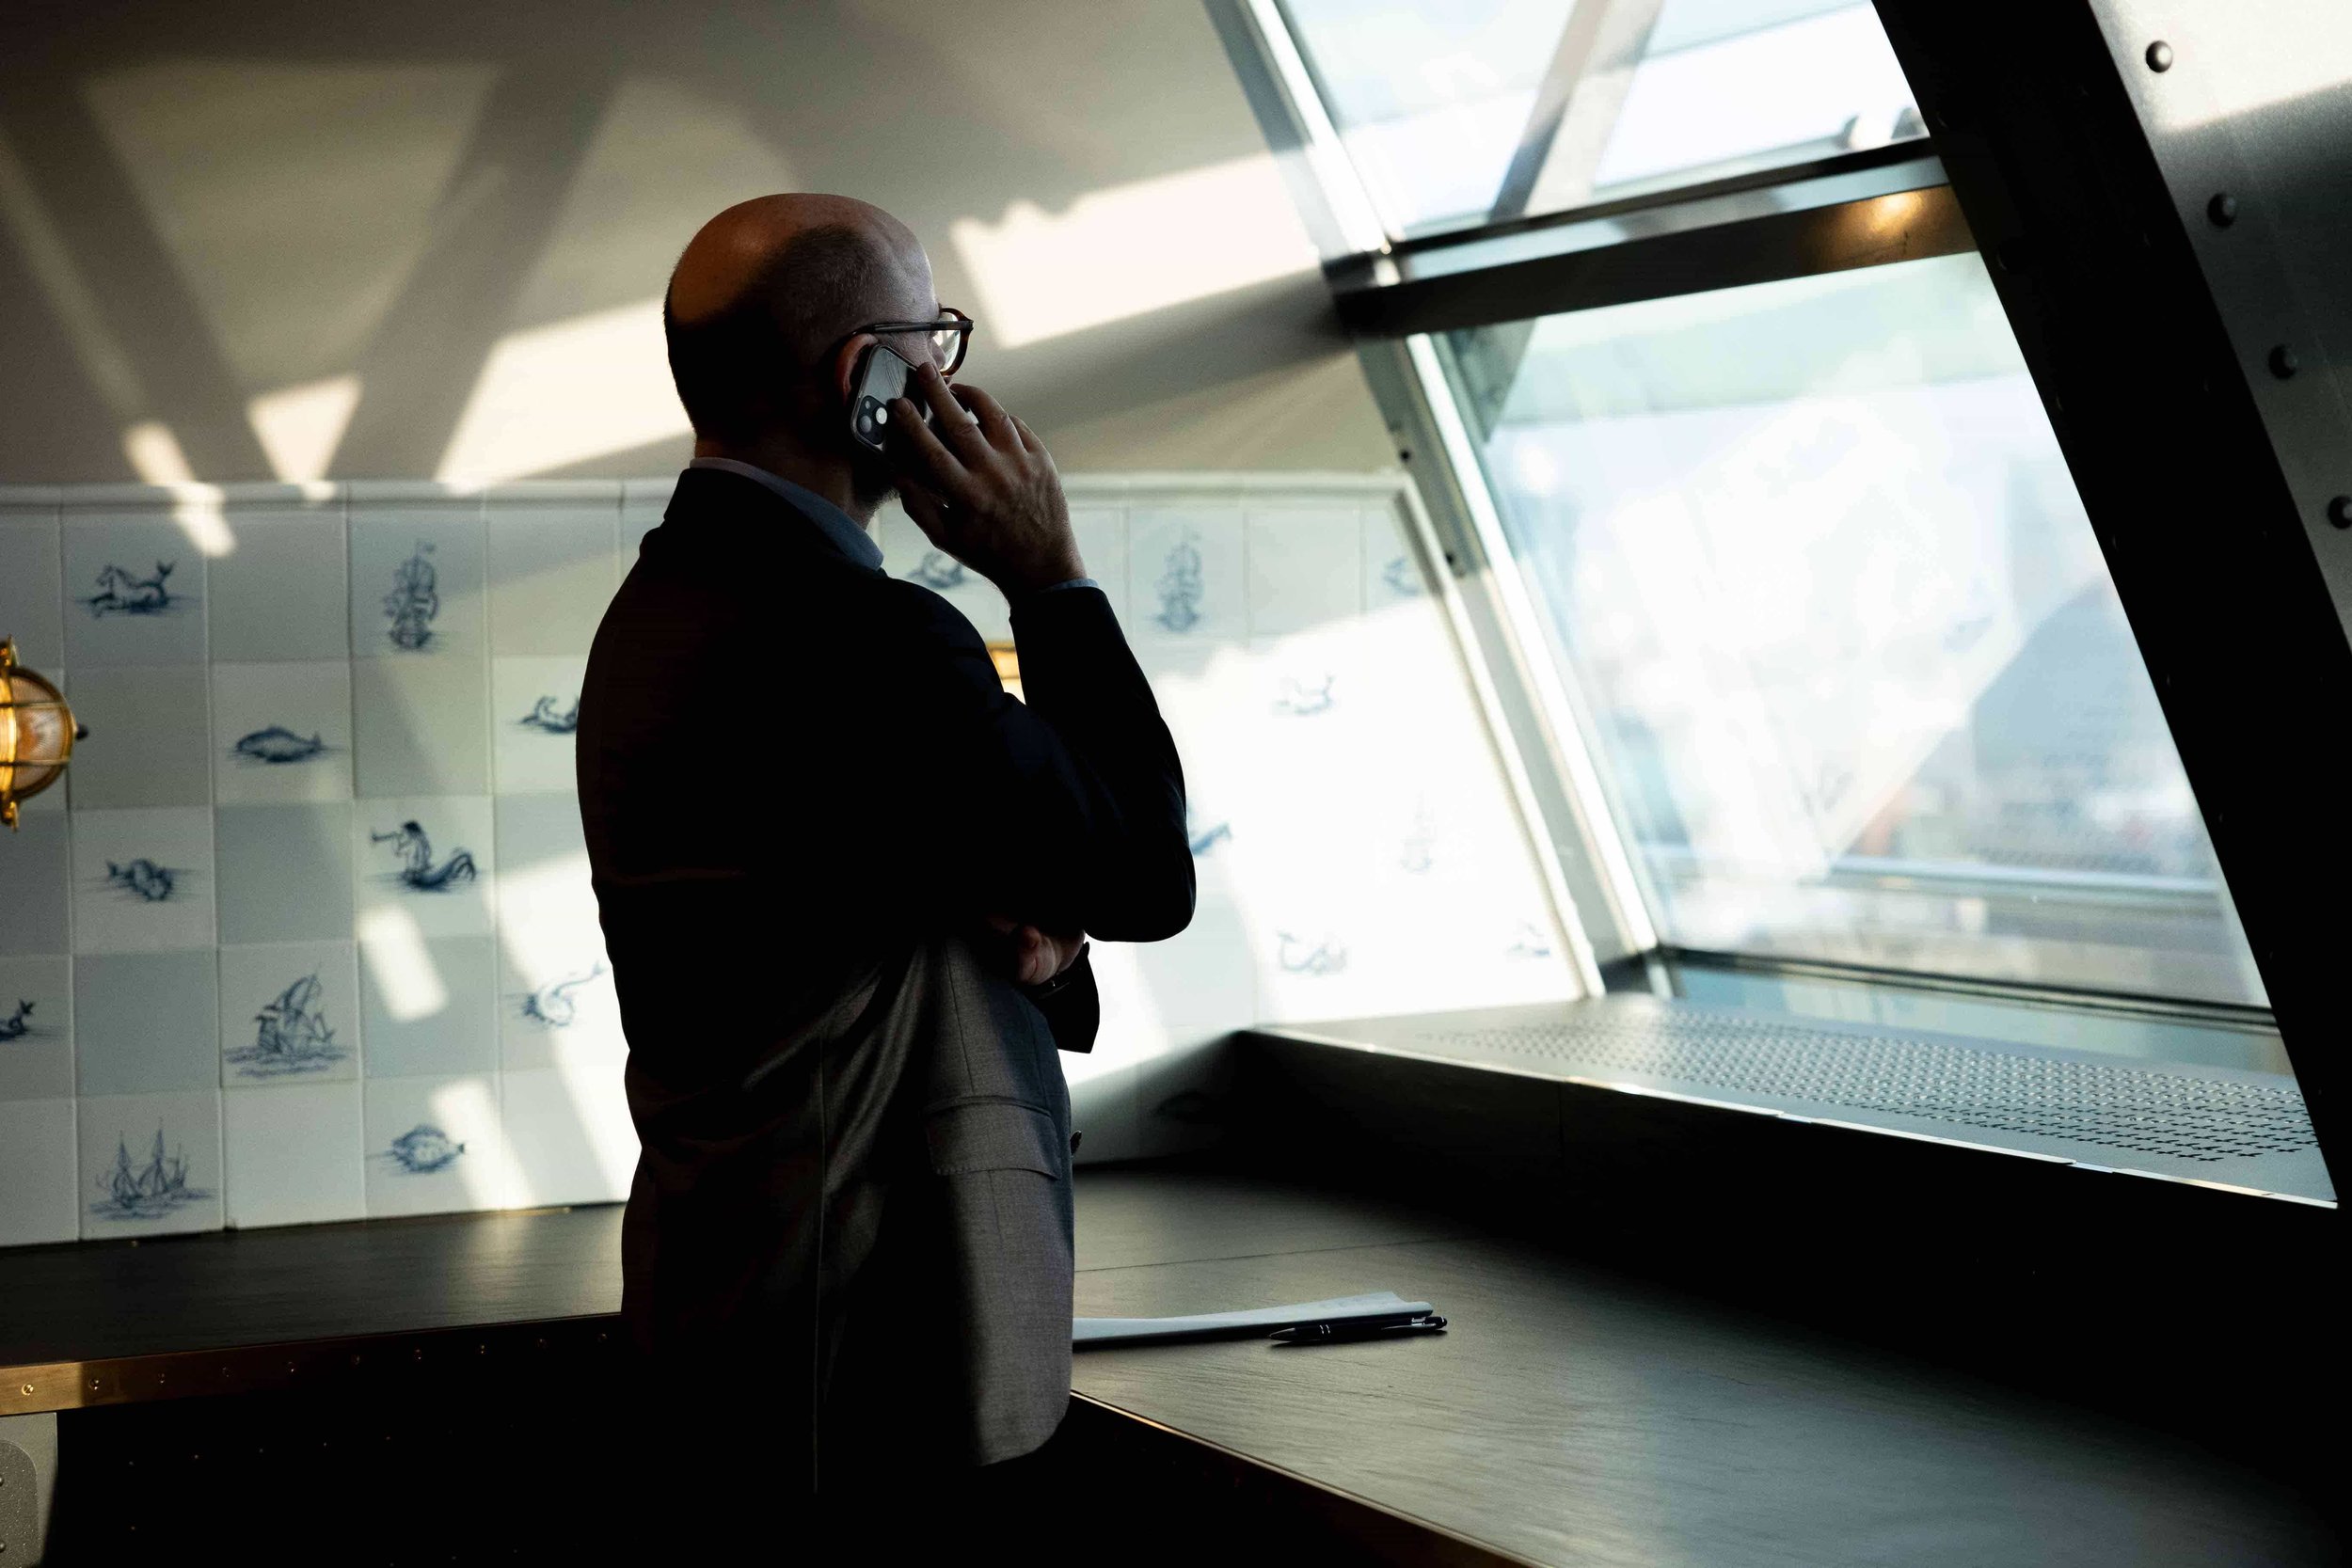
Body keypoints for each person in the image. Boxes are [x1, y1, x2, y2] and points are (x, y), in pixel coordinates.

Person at [576, 195, 1194, 1546]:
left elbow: (869, 905)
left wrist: (1036, 929)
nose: (951, 380)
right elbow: (1147, 873)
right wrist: (1052, 580)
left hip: (726, 1323)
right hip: (878, 1366)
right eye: (936, 345)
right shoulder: (868, 637)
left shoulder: (655, 612)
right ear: (868, 380)